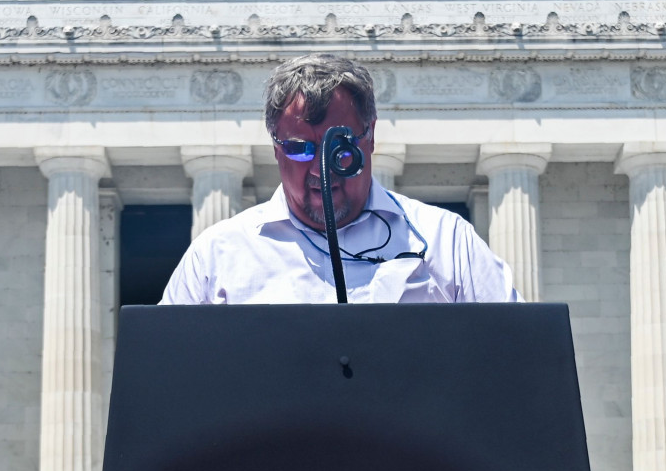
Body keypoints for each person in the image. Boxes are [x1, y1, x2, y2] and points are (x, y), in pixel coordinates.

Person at [162, 54, 519, 306]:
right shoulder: (218, 255)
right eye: (300, 149)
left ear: (371, 136)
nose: (320, 168)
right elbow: (165, 377)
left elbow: (518, 354)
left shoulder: (444, 240)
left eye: (340, 146)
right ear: (275, 148)